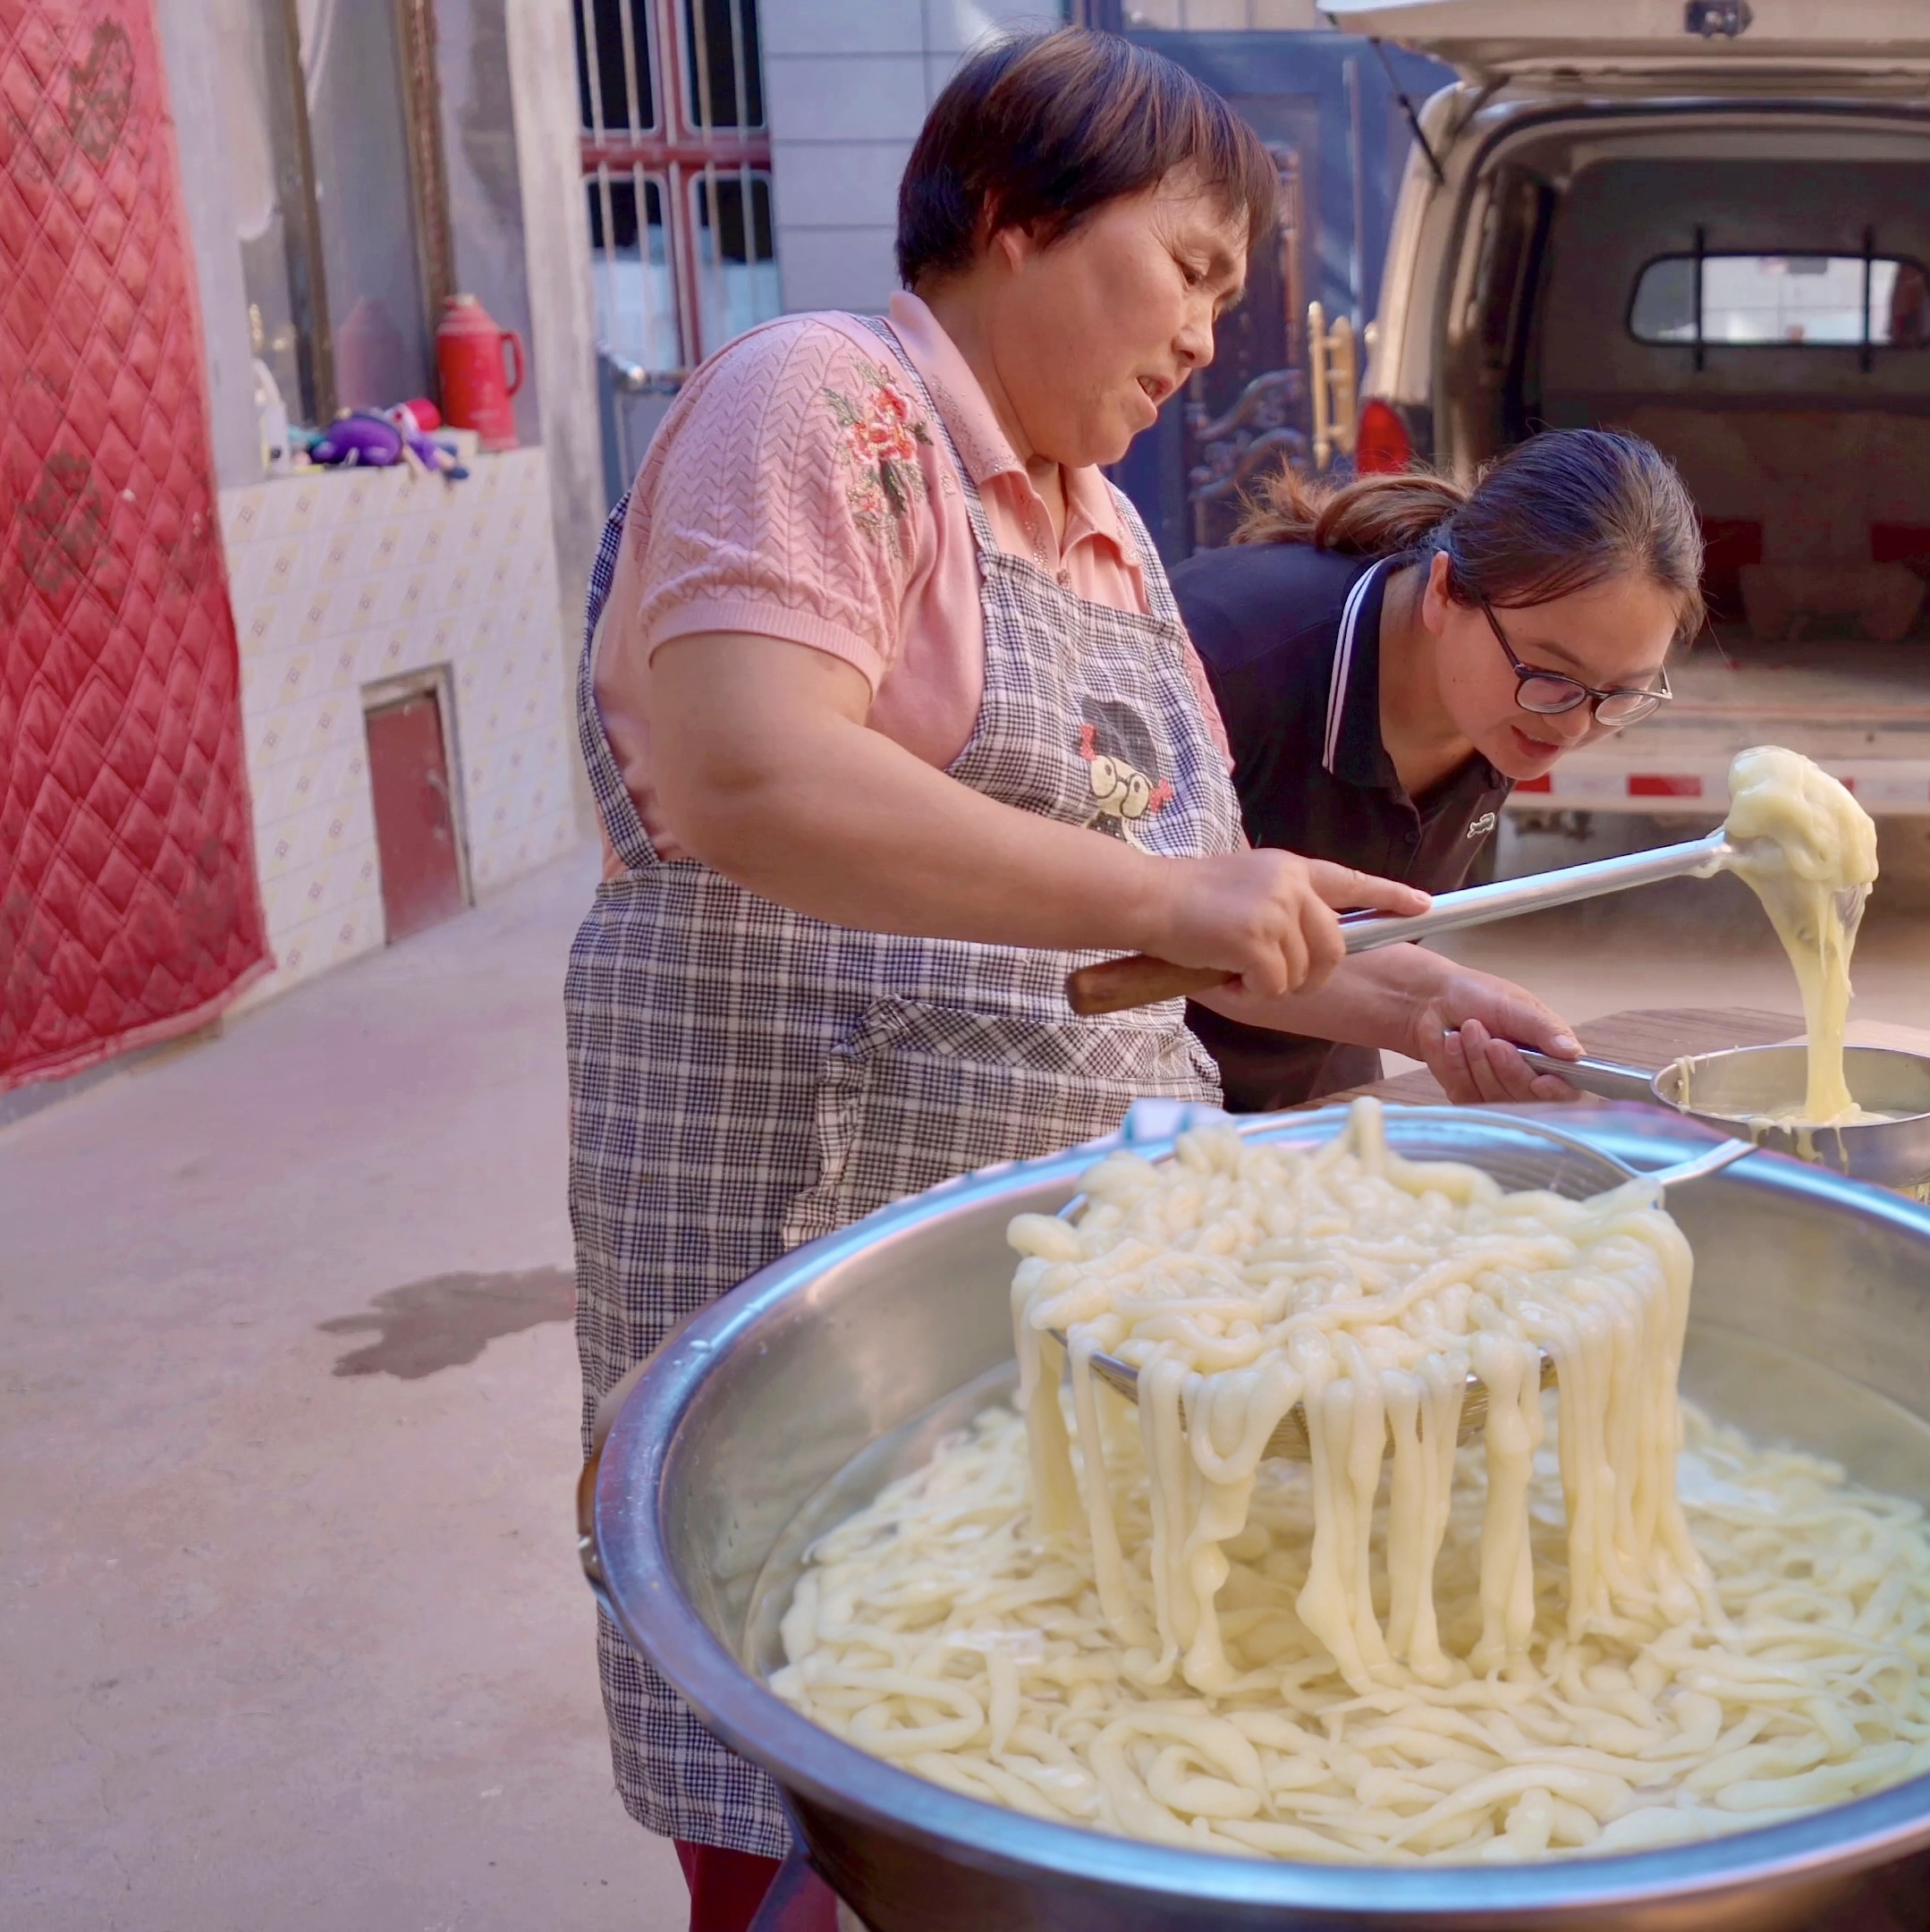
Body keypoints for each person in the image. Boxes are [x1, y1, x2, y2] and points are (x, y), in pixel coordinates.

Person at [563, 30, 1559, 1926]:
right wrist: (1187, 907)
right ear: (1015, 220)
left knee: (1037, 1728)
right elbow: (751, 772)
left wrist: (1401, 1007)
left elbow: (1148, 920)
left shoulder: (1096, 529)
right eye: (1188, 270)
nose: (1203, 340)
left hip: (1065, 1271)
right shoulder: (821, 406)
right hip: (814, 1205)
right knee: (814, 1721)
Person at [1172, 431, 1704, 1110]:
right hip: (1133, 1088)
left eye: (1621, 694)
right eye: (1550, 675)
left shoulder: (1508, 698)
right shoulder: (1222, 654)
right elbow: (1158, 924)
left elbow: (1344, 949)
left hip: (1315, 1087)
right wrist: (1427, 1001)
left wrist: (1433, 1010)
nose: (1574, 725)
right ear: (1445, 591)